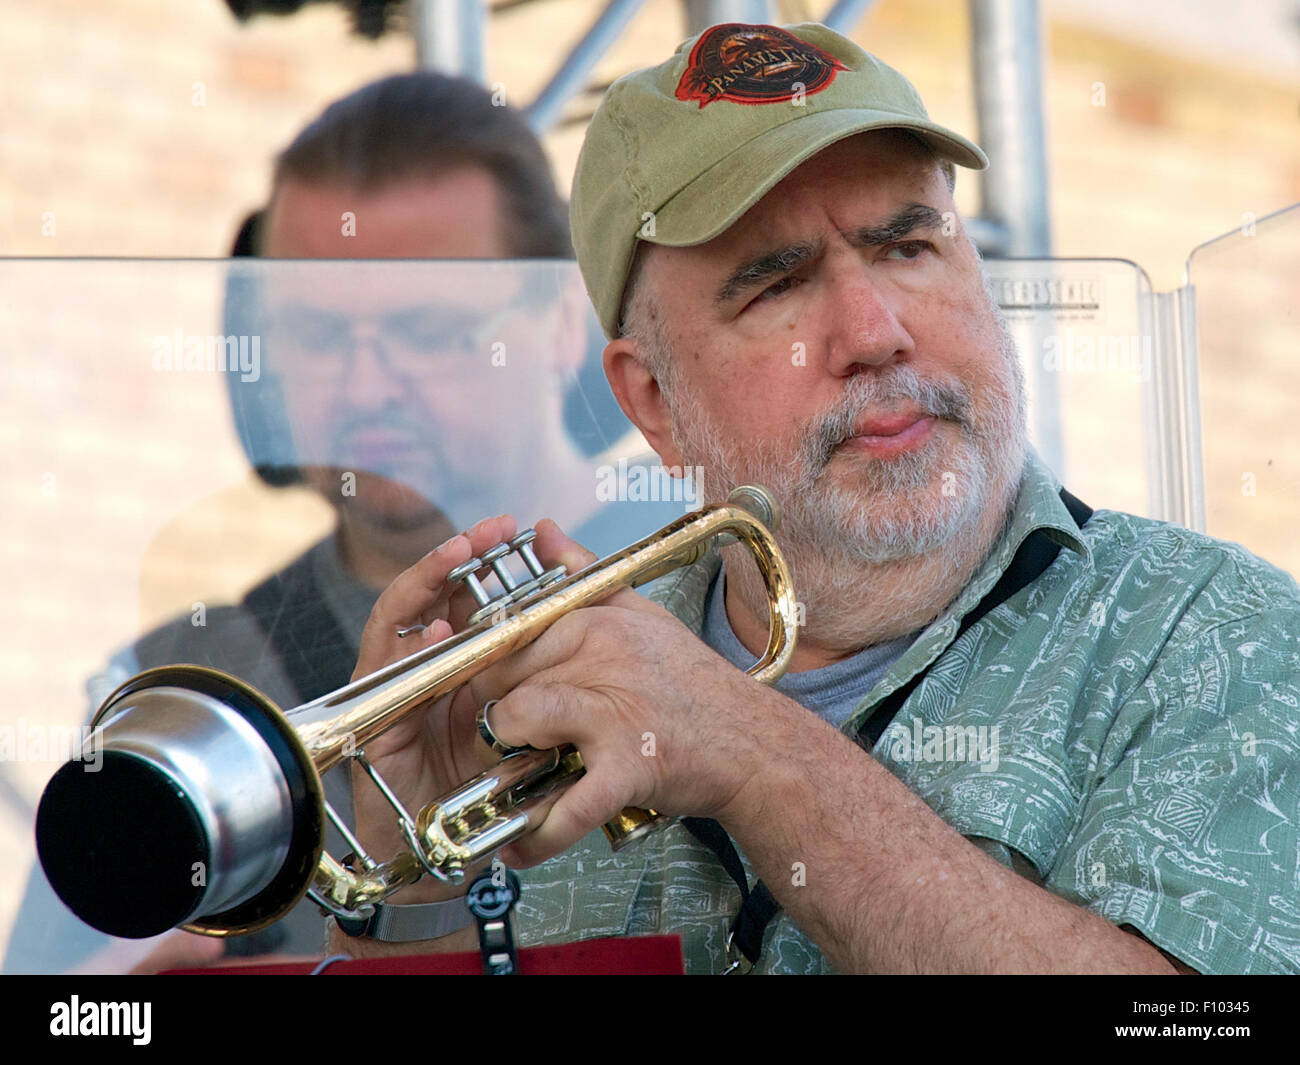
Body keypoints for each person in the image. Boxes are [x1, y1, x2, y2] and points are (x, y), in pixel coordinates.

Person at [331, 22, 1300, 974]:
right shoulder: (554, 694)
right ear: (652, 401)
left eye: (907, 247)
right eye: (777, 286)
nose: (873, 333)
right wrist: (413, 893)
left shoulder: (1225, 638)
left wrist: (759, 758)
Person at [6, 71, 676, 973]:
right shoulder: (184, 690)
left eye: (428, 330)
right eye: (318, 338)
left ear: (563, 321)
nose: (364, 389)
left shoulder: (721, 564)